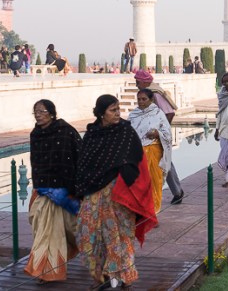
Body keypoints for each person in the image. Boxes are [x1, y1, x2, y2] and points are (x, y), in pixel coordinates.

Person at [75, 95, 157, 291]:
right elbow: (83, 164)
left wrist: (122, 176)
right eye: (113, 110)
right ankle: (101, 276)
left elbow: (136, 160)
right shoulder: (92, 134)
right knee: (89, 234)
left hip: (119, 193)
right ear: (101, 113)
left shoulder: (125, 132)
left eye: (119, 109)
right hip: (94, 192)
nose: (118, 113)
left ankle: (125, 276)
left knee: (119, 235)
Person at [24, 100, 83, 284]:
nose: (38, 115)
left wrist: (74, 188)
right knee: (43, 230)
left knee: (72, 231)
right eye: (35, 112)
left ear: (51, 113)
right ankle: (45, 271)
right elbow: (36, 163)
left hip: (65, 191)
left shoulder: (65, 131)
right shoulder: (36, 134)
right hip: (43, 190)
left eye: (42, 111)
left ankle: (99, 260)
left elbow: (78, 156)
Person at [133, 69, 184, 204]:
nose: (136, 85)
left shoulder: (155, 93)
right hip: (146, 141)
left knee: (165, 163)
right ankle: (176, 192)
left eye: (138, 82)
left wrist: (160, 132)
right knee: (163, 163)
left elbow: (169, 113)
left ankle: (175, 192)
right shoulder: (148, 93)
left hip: (156, 138)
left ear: (144, 82)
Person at [127, 88, 172, 212]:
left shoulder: (158, 113)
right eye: (139, 99)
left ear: (151, 100)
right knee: (140, 184)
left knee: (153, 182)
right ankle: (142, 211)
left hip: (154, 151)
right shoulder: (133, 115)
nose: (141, 102)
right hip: (137, 154)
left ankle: (153, 212)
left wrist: (158, 133)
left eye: (144, 99)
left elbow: (167, 133)